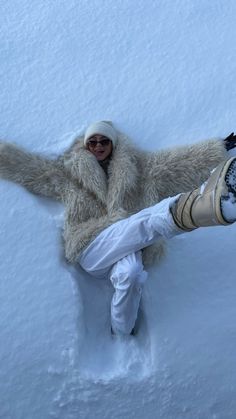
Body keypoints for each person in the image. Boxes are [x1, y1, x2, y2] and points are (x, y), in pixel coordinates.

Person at [0, 122, 236, 336]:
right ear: (86, 146)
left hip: (128, 247)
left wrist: (220, 148)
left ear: (113, 144)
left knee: (132, 273)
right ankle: (195, 209)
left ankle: (122, 331)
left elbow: (179, 163)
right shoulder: (70, 175)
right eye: (92, 142)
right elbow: (32, 169)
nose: (98, 146)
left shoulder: (141, 170)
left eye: (104, 141)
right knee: (142, 223)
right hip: (90, 247)